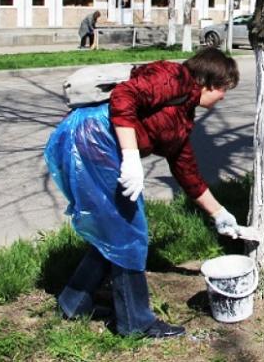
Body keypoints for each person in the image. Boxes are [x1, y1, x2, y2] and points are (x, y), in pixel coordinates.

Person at [44, 48, 243, 339]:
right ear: (209, 82)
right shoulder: (172, 76)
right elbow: (124, 97)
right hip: (94, 137)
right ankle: (135, 322)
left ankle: (75, 302)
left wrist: (220, 214)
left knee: (113, 229)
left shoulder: (183, 114)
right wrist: (130, 156)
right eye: (224, 89)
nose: (224, 96)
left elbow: (186, 171)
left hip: (97, 141)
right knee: (128, 231)